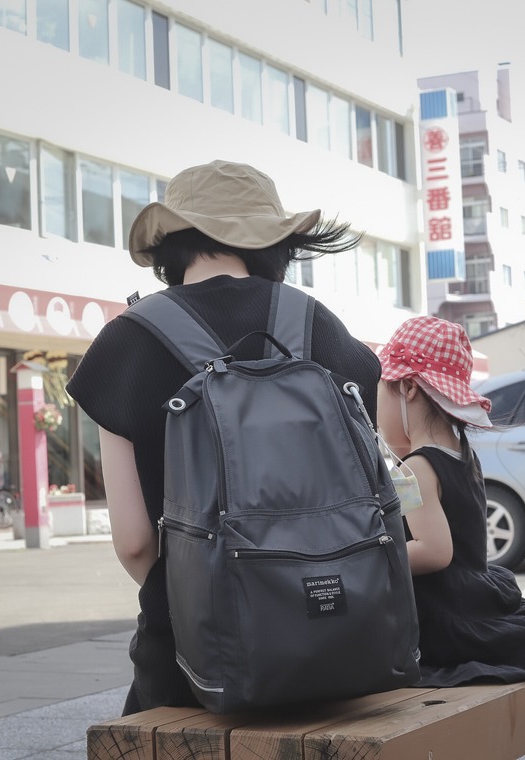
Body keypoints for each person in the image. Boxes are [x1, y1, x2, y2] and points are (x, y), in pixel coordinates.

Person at [66, 160, 381, 714]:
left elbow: (134, 542)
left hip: (191, 662)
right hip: (340, 636)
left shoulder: (126, 342)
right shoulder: (320, 326)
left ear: (171, 243)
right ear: (274, 243)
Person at [376, 316, 525, 686]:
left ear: (408, 388)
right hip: (471, 596)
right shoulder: (461, 453)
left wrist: (371, 557)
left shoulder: (415, 468)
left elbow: (435, 551)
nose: (376, 411)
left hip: (440, 615)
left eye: (380, 393)